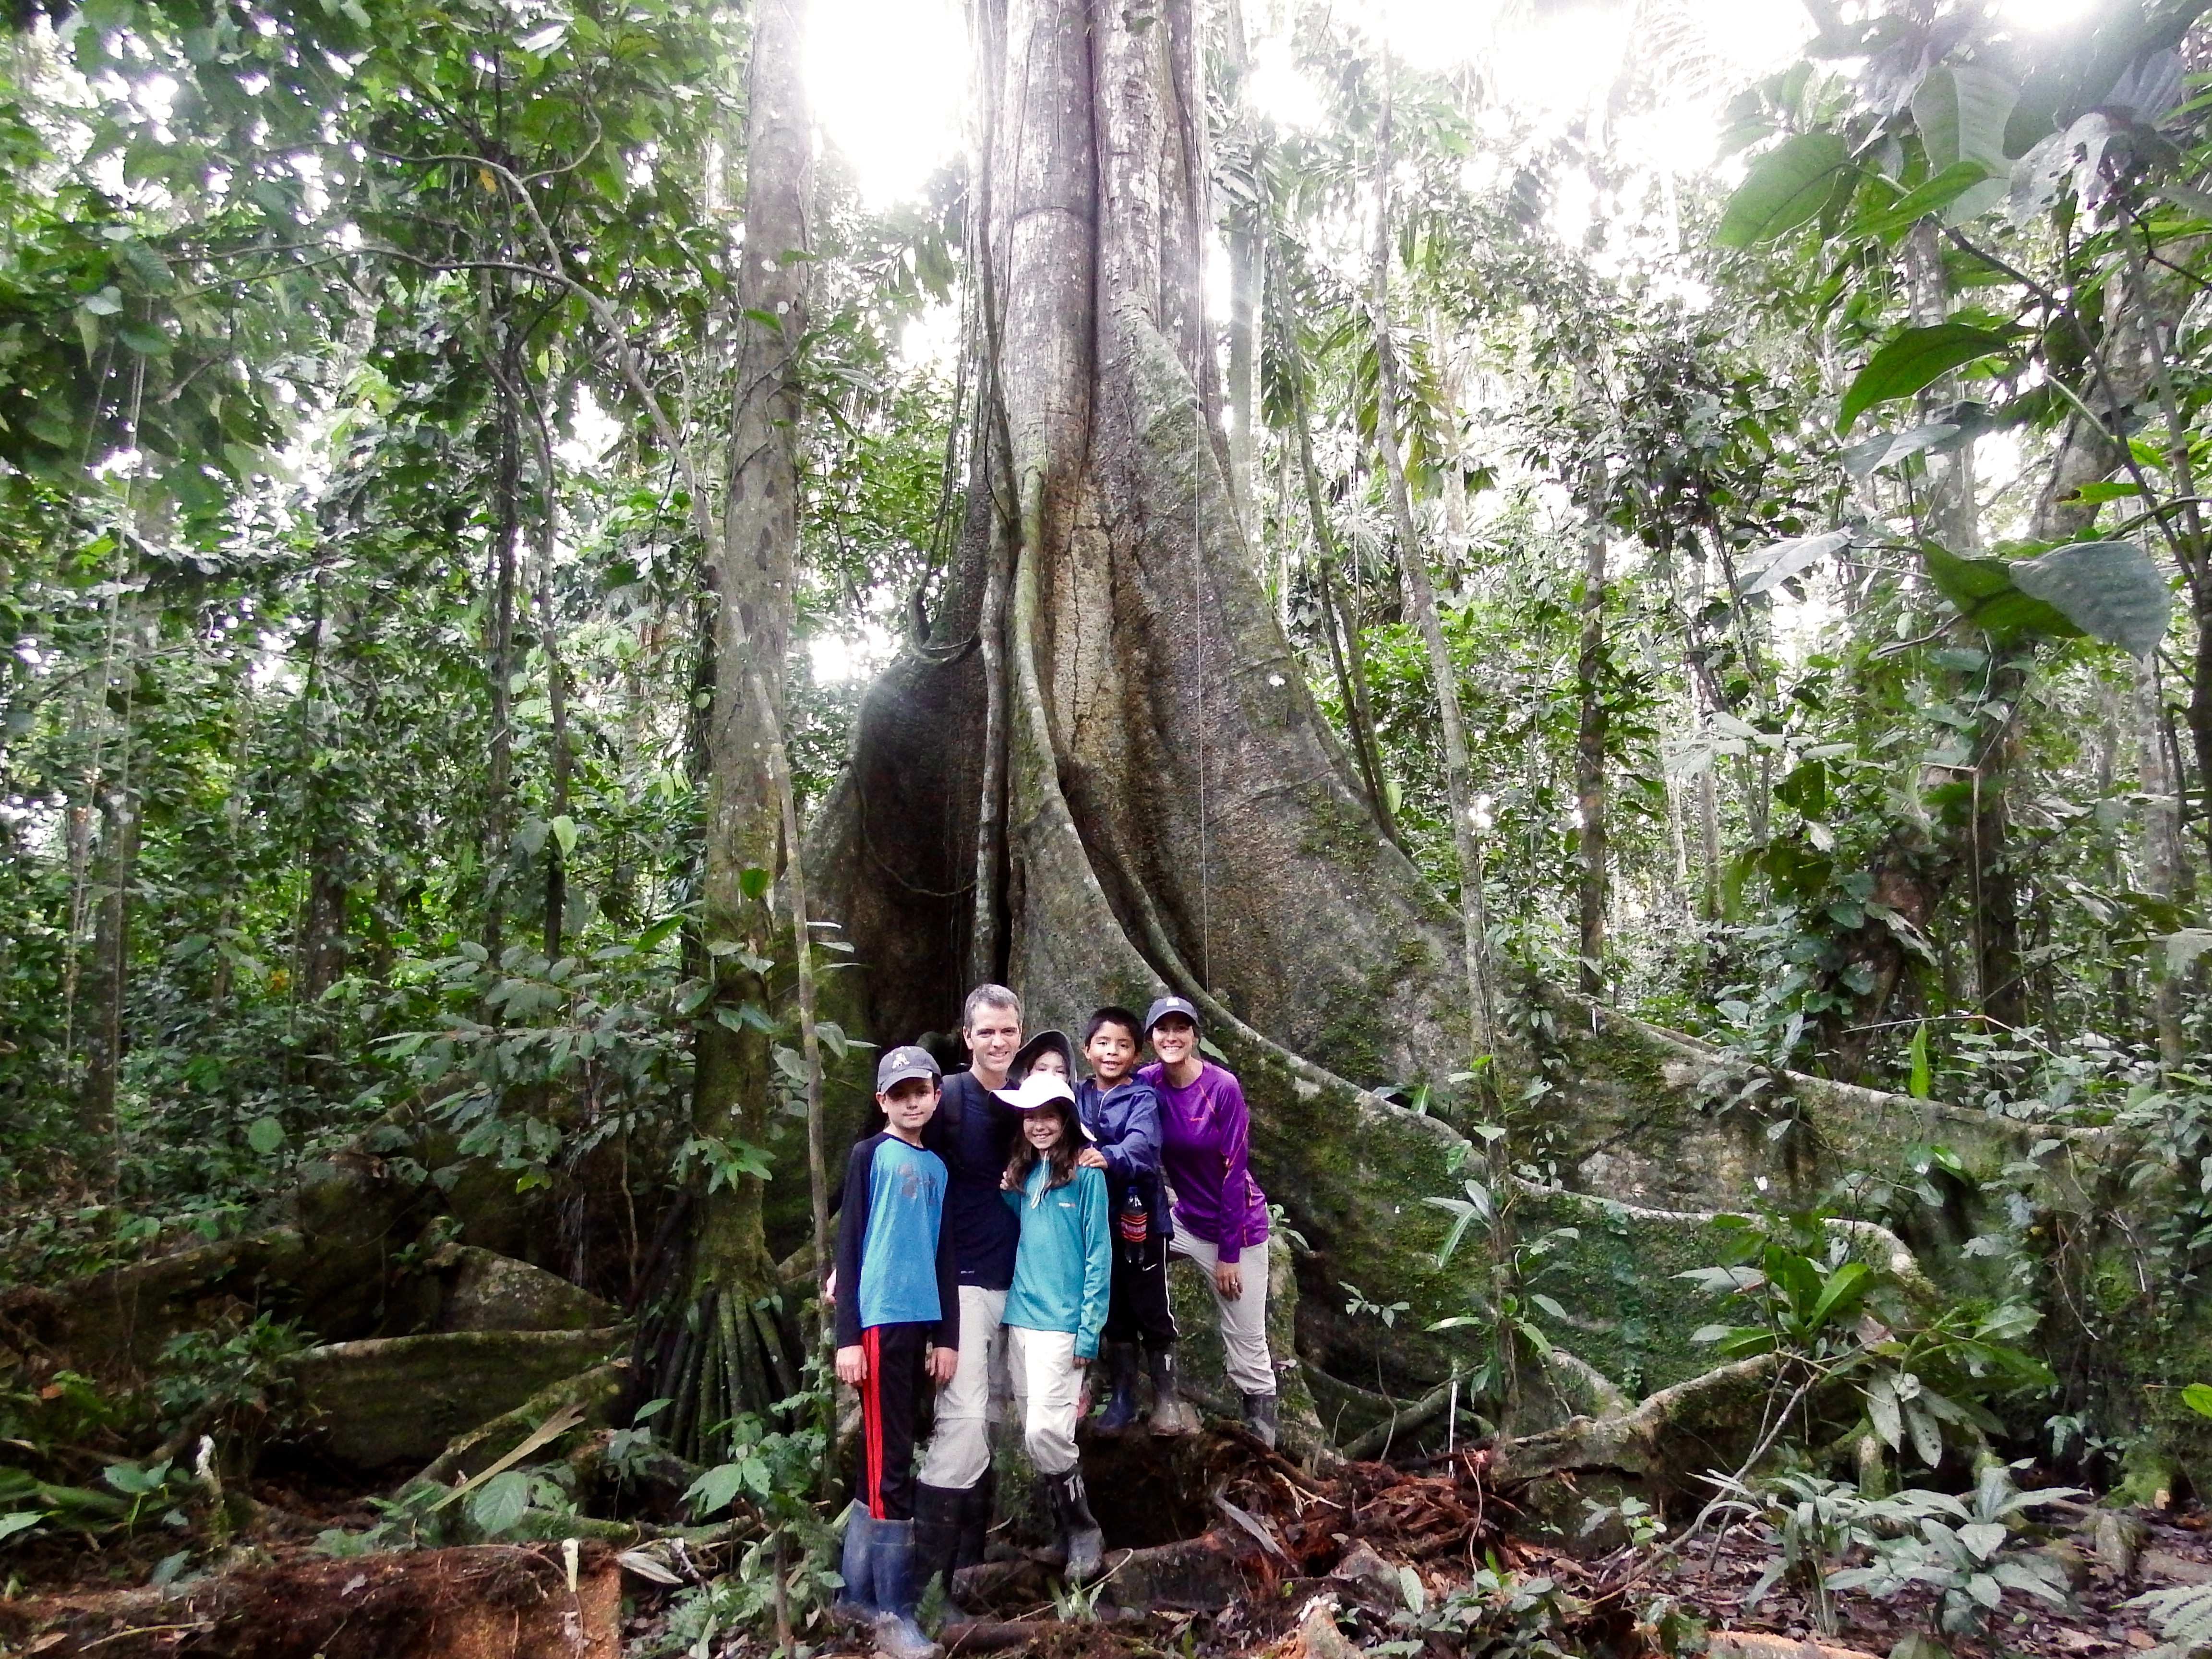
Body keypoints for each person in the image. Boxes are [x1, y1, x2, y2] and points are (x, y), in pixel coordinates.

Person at [833, 1046, 962, 1659]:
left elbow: (943, 1253)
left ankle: (855, 1595)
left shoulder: (936, 1167)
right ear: (883, 1100)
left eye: (923, 1091)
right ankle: (894, 1615)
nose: (914, 1101)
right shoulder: (869, 1156)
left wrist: (948, 1336)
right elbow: (850, 1243)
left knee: (887, 1453)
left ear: (936, 1095)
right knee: (892, 1468)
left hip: (920, 1322)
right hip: (879, 1323)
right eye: (901, 1092)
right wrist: (847, 1337)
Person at [910, 986, 1024, 1604]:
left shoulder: (1034, 1100)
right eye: (987, 1033)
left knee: (998, 1420)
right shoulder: (948, 1100)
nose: (998, 1042)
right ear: (967, 1036)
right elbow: (898, 1165)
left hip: (1025, 1284)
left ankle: (971, 1570)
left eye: (1008, 1031)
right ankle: (929, 1588)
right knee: (961, 1424)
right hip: (964, 1283)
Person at [1140, 995, 1279, 1448]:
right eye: (1163, 1029)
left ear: (1195, 1036)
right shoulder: (1147, 1084)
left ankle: (1262, 1441)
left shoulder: (1221, 1088)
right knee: (1125, 1251)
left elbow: (1235, 1172)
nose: (1172, 1037)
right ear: (1151, 1038)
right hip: (1183, 1220)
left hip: (1236, 1227)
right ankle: (1149, 1384)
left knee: (1246, 1339)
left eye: (1181, 1029)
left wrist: (1229, 1254)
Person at [995, 1070, 1111, 1581]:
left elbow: (1098, 1256)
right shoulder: (1027, 1173)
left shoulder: (1087, 1175)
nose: (1039, 1125)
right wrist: (1008, 1193)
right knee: (1033, 1433)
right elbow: (1029, 1231)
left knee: (1049, 1429)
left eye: (1049, 1116)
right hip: (1020, 1318)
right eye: (1031, 1117)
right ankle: (1062, 1533)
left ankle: (1085, 1528)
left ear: (1067, 1120)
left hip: (1063, 1326)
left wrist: (1090, 1330)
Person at [1072, 1007, 1198, 1437]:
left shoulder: (1143, 1097)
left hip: (1140, 1222)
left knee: (1150, 1305)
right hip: (1092, 1224)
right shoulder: (1076, 1096)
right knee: (1114, 1312)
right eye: (1103, 1043)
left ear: (1136, 1053)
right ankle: (1123, 1397)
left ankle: (1167, 1398)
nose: (1112, 1052)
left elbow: (1143, 1146)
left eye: (1123, 1045)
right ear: (1087, 1049)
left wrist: (1108, 1156)